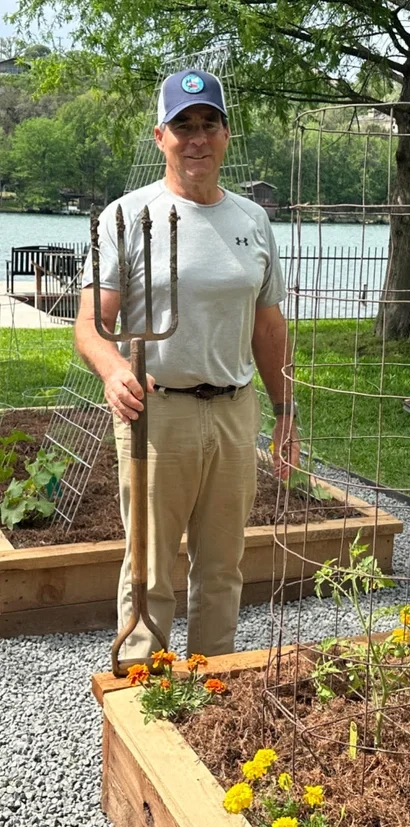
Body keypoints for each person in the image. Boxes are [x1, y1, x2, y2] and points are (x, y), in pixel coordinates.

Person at [76, 67, 299, 661]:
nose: (196, 138)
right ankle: (141, 686)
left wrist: (285, 411)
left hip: (234, 410)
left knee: (223, 568)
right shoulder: (127, 217)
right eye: (183, 126)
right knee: (149, 568)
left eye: (208, 124)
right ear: (161, 137)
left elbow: (267, 327)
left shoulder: (252, 219)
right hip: (157, 413)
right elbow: (91, 325)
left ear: (226, 136)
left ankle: (211, 682)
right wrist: (113, 370)